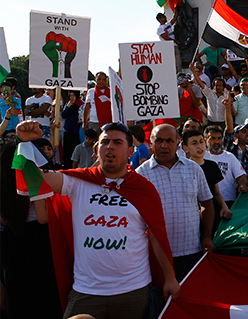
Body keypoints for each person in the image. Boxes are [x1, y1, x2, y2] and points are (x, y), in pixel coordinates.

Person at [15, 121, 179, 317]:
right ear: (97, 150)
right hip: (86, 291)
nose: (110, 146)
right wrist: (23, 144)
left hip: (133, 291)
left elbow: (157, 237)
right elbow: (29, 182)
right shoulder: (78, 182)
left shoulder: (144, 189)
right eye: (104, 142)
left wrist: (170, 277)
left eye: (117, 142)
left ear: (130, 152)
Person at [136, 124, 215, 282]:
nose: (164, 145)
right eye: (159, 140)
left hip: (192, 251)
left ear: (178, 143)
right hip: (156, 256)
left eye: (169, 141)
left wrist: (207, 236)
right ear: (151, 143)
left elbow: (206, 203)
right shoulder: (141, 175)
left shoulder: (194, 169)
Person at [0, 141, 62, 318]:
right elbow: (42, 218)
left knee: (18, 297)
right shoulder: (31, 175)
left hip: (10, 241)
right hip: (38, 242)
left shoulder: (3, 181)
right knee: (43, 296)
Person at [182, 130, 232, 235]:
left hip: (214, 215)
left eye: (201, 142)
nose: (199, 146)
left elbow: (217, 192)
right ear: (185, 148)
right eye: (194, 143)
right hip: (193, 219)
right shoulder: (183, 169)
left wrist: (224, 207)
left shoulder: (212, 165)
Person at [203, 125, 248, 214]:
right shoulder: (202, 157)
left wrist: (242, 185)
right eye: (212, 138)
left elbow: (241, 176)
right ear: (205, 141)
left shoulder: (229, 157)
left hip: (228, 201)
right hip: (207, 201)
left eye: (219, 138)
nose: (216, 142)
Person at [61, 90, 83, 168]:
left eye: (73, 95)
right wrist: (68, 107)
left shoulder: (80, 104)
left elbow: (78, 117)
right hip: (68, 129)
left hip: (75, 130)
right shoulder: (68, 104)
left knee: (74, 147)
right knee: (67, 148)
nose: (71, 97)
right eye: (70, 96)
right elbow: (63, 115)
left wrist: (70, 118)